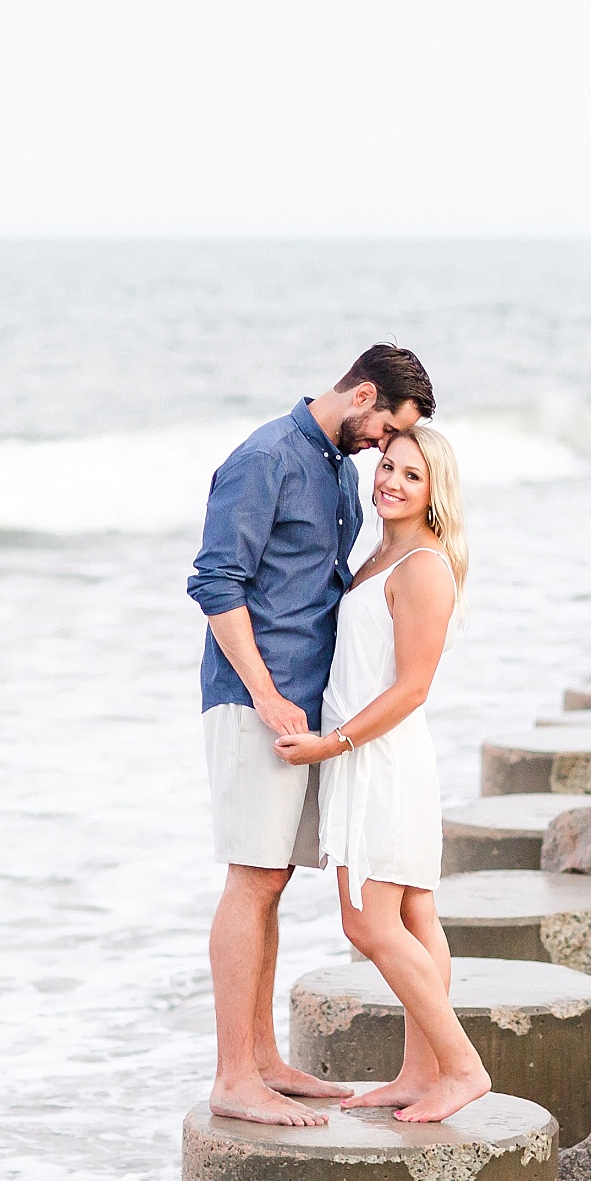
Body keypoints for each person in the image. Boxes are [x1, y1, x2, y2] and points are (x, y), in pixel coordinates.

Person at [187, 344, 437, 1127]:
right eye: (386, 427)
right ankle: (234, 1075)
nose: (383, 448)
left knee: (275, 880)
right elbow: (215, 580)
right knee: (250, 877)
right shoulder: (266, 458)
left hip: (311, 713)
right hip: (257, 703)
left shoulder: (335, 466)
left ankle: (264, 1060)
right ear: (362, 394)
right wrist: (266, 697)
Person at [273, 424, 489, 1123]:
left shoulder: (422, 566)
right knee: (414, 916)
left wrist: (332, 744)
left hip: (381, 760)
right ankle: (420, 1073)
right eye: (388, 466)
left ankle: (462, 1067)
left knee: (367, 924)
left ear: (435, 493)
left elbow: (412, 687)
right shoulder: (380, 555)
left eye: (412, 476)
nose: (391, 481)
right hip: (370, 758)